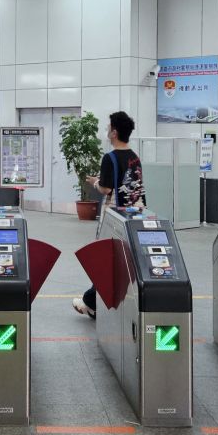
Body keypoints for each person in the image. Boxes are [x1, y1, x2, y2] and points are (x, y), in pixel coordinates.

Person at [73, 111, 144, 318]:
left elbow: (105, 189)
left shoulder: (110, 157)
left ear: (114, 132)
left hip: (114, 214)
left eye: (108, 127)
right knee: (125, 258)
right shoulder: (134, 157)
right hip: (135, 212)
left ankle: (90, 300)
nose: (106, 130)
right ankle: (97, 300)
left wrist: (95, 181)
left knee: (106, 257)